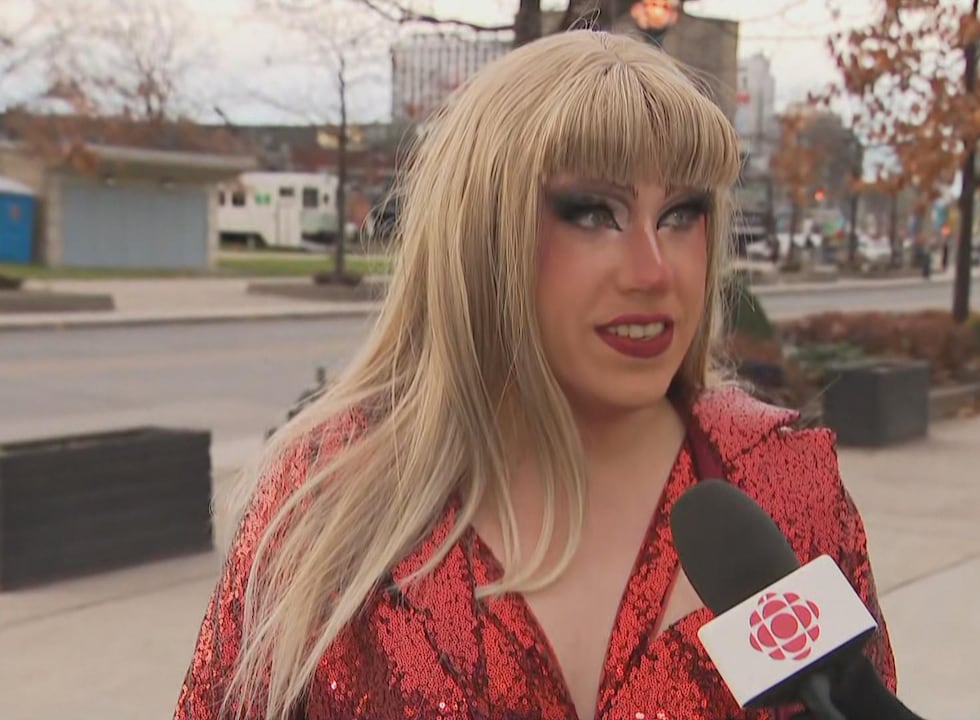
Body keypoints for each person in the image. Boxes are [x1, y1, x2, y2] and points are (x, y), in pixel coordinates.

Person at [175, 30, 896, 720]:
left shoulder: (784, 485)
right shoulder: (327, 499)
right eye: (593, 212)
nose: (653, 271)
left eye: (681, 214)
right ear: (483, 235)